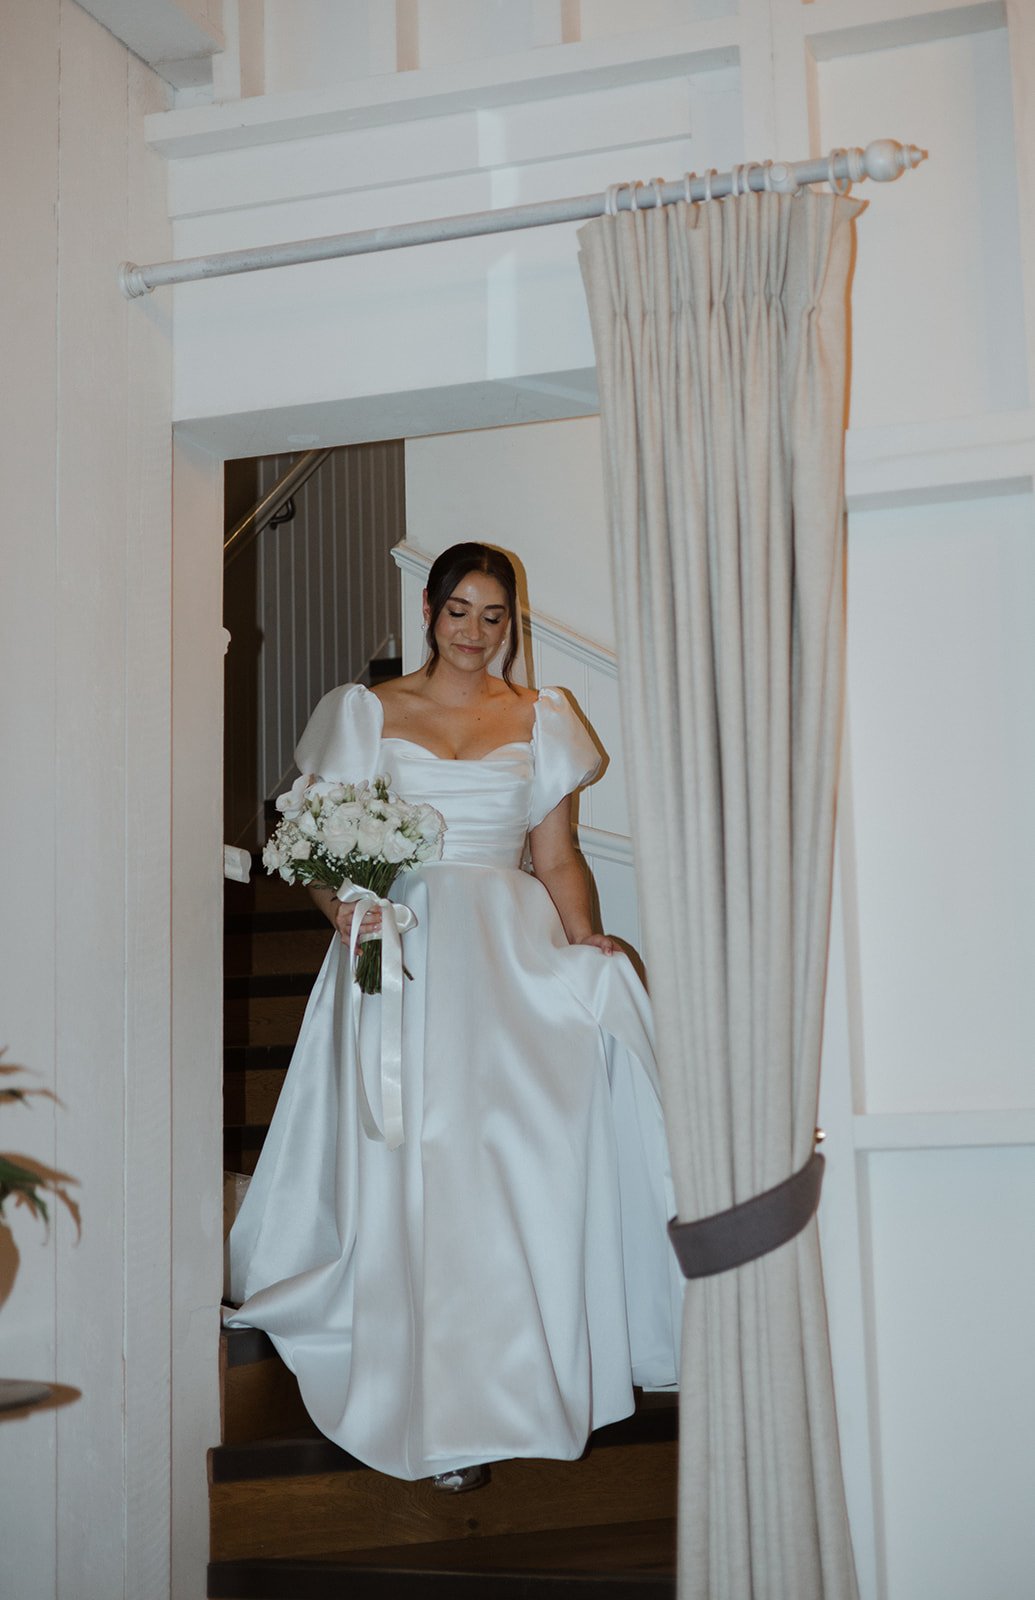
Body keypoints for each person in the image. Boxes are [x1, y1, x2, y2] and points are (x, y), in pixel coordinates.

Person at [226, 542, 681, 1491]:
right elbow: (315, 847)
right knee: (421, 1165)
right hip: (402, 952)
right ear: (429, 610)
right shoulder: (366, 712)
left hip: (511, 956)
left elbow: (555, 857)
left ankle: (520, 1378)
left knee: (516, 1164)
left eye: (494, 615)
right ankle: (435, 1401)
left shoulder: (541, 716)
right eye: (460, 610)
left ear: (511, 622)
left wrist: (585, 940)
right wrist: (342, 913)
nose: (476, 631)